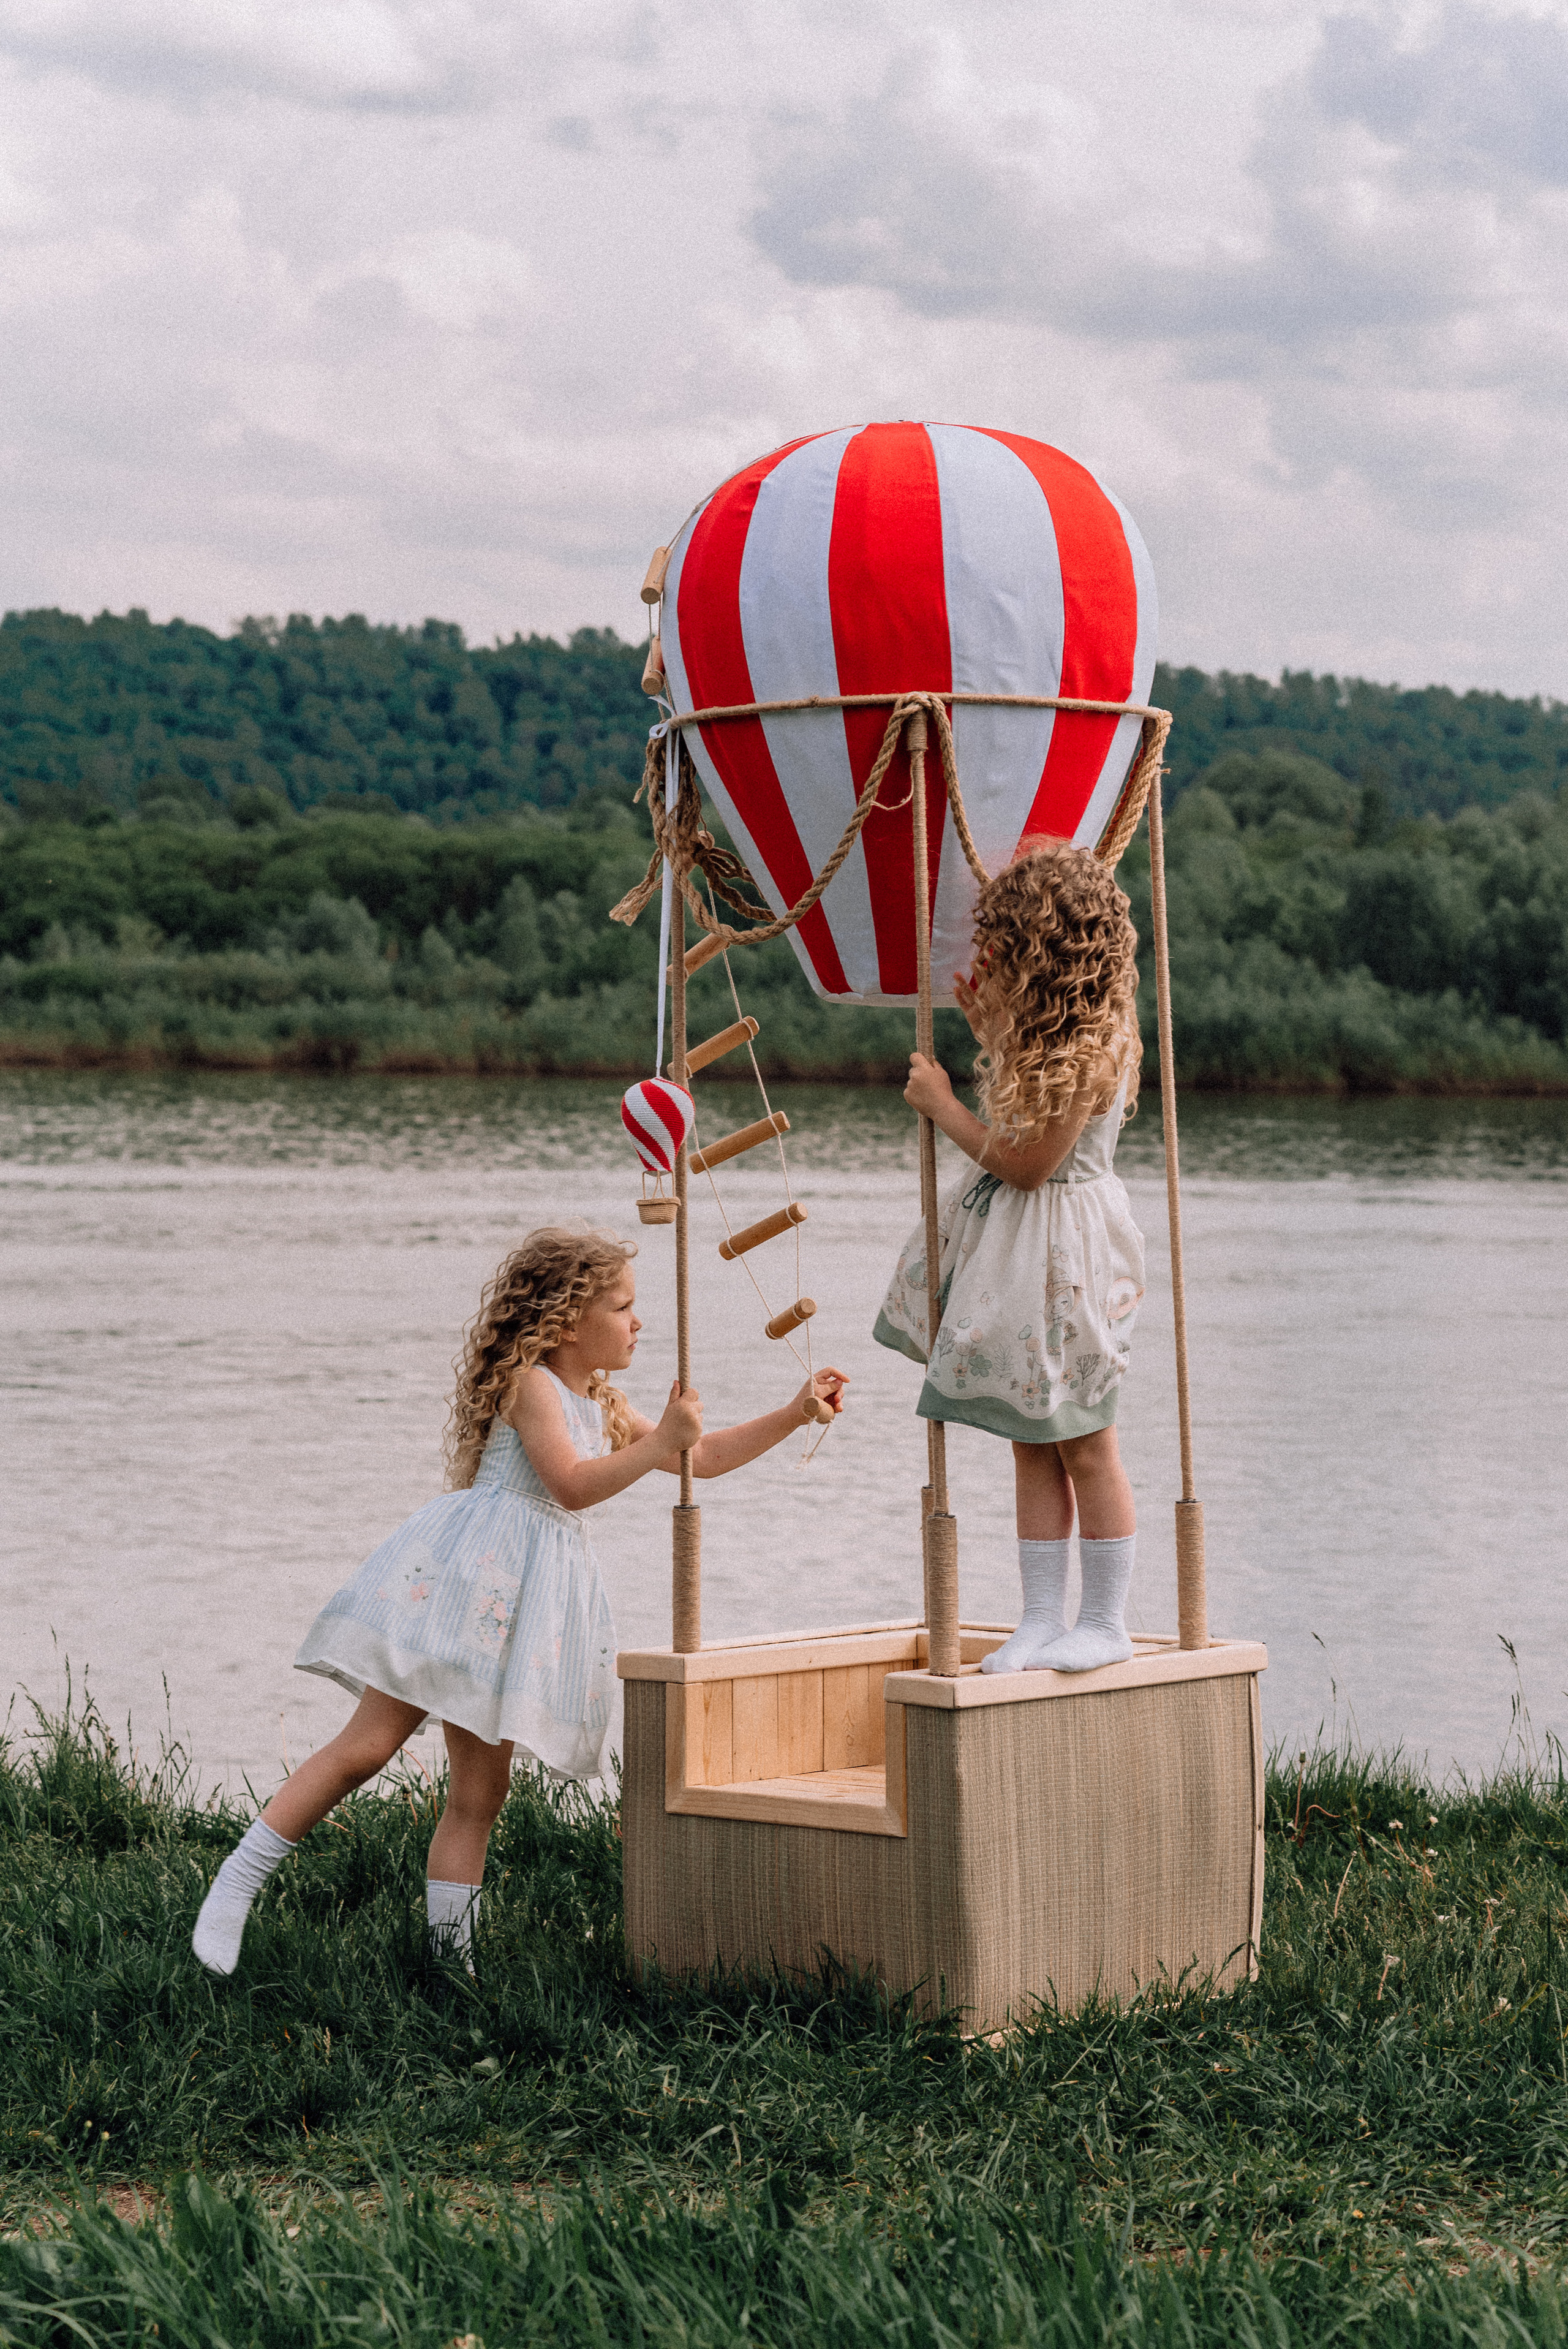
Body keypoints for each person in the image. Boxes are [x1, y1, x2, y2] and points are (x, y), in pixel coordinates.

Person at [193, 1225, 846, 1976]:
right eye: (624, 1306)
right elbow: (570, 1484)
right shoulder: (531, 1384)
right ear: (567, 1321)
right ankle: (234, 1884)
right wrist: (660, 1437)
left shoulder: (600, 1398)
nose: (640, 1322)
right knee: (368, 1747)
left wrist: (794, 1412)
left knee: (481, 1790)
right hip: (469, 1580)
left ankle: (450, 1963)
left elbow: (702, 1456)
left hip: (519, 1607)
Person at [873, 839, 1145, 1675]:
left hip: (1067, 1254)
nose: (996, 965)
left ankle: (1104, 1618)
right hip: (1034, 1248)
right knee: (1032, 1436)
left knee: (1086, 1438)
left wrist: (943, 1104)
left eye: (1010, 952)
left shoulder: (1096, 1045)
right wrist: (994, 1033)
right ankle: (1039, 1617)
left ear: (1046, 955)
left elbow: (1029, 1162)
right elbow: (1027, 1131)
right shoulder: (1055, 1036)